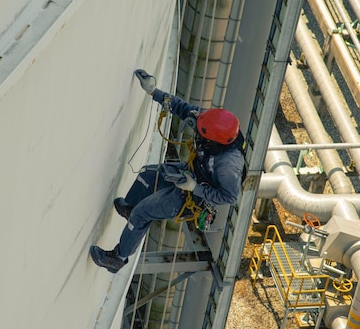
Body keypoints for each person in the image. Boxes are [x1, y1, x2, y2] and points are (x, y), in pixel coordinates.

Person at [90, 69, 246, 273]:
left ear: (213, 141)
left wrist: (195, 187)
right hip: (191, 173)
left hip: (194, 197)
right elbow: (184, 109)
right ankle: (132, 213)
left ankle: (118, 258)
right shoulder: (210, 122)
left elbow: (230, 197)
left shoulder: (227, 166)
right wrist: (154, 92)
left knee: (142, 213)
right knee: (147, 174)